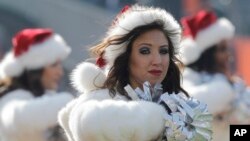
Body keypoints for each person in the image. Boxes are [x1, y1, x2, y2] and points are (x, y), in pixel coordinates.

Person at [59, 5, 212, 141]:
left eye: (164, 51)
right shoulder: (98, 102)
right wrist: (159, 120)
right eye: (145, 51)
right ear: (125, 57)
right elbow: (88, 124)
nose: (157, 60)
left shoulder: (182, 105)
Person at [180, 10, 250, 141]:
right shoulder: (189, 77)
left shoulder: (231, 82)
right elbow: (191, 105)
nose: (228, 55)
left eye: (227, 49)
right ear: (207, 53)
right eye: (222, 49)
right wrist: (226, 90)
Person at [0, 28, 74, 141]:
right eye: (54, 65)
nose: (60, 72)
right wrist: (68, 103)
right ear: (36, 70)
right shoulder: (16, 96)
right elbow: (15, 117)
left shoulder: (40, 97)